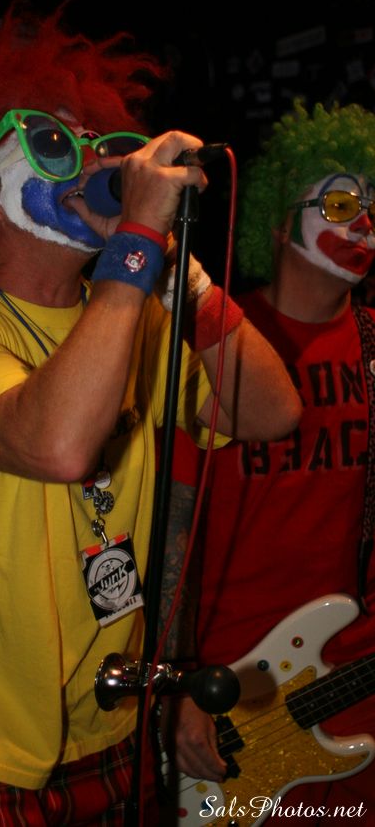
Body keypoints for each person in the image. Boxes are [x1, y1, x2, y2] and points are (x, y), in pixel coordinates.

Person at [0, 6, 300, 825]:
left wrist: (180, 277)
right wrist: (136, 240)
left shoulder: (134, 309)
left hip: (111, 721)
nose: (90, 162)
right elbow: (61, 445)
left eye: (96, 142)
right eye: (51, 142)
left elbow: (271, 412)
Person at [175, 101, 375, 823]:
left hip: (355, 678)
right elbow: (171, 529)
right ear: (279, 219)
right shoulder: (222, 345)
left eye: (374, 207)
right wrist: (178, 683)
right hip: (229, 689)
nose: (364, 224)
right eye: (342, 203)